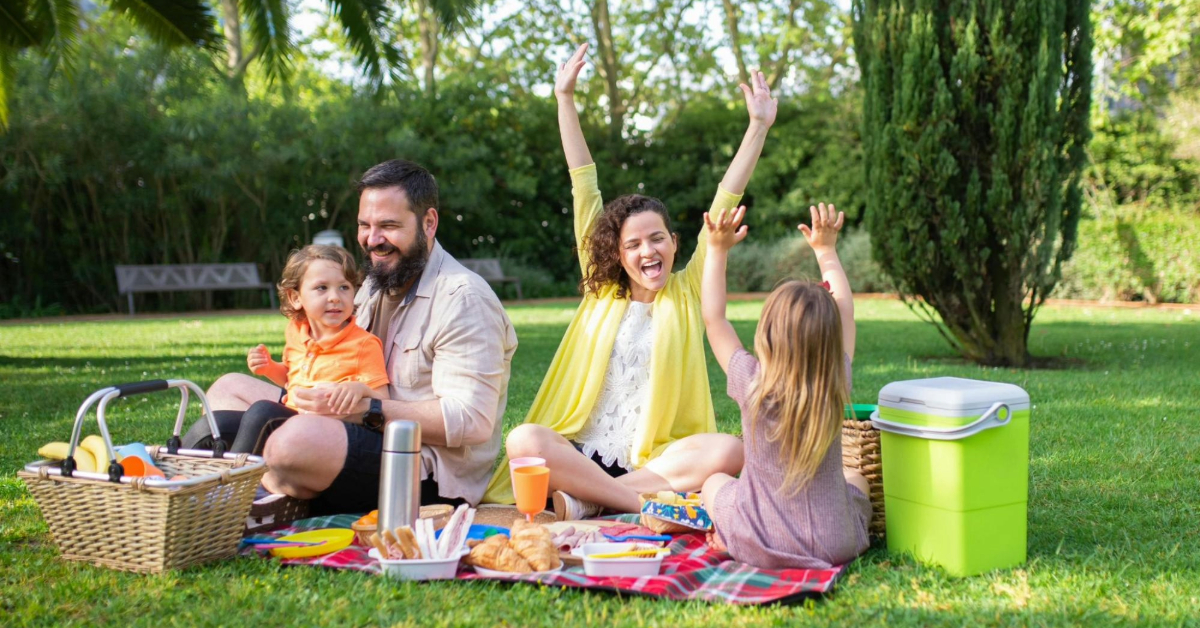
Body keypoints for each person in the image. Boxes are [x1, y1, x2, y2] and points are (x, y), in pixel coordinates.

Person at [485, 42, 776, 519]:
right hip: (579, 451)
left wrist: (758, 127)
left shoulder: (687, 291)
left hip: (653, 462)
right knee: (524, 439)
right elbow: (584, 182)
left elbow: (726, 198)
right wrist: (564, 99)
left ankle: (585, 502)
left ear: (675, 243)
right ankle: (636, 504)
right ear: (617, 255)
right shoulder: (601, 288)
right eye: (634, 245)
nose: (648, 251)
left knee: (730, 450)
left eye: (657, 239)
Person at [188, 159, 518, 518]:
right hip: (345, 424)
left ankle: (248, 497)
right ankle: (239, 484)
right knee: (227, 390)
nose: (373, 240)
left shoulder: (463, 298)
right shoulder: (374, 284)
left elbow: (471, 421)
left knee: (289, 443)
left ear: (428, 222)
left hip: (421, 468)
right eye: (365, 225)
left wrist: (368, 410)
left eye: (388, 226)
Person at [699, 202, 871, 569]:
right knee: (856, 477)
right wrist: (826, 251)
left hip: (757, 540)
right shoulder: (835, 377)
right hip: (834, 543)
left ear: (768, 334)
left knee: (714, 483)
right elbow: (845, 311)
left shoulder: (751, 381)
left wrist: (716, 251)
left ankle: (728, 538)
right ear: (830, 339)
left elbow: (714, 320)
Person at [186, 245, 391, 456]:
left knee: (262, 412)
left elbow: (383, 399)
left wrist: (359, 389)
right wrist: (269, 368)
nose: (335, 297)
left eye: (344, 287)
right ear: (295, 298)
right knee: (216, 422)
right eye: (322, 288)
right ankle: (178, 475)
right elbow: (291, 379)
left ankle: (234, 480)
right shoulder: (296, 331)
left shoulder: (363, 344)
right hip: (292, 417)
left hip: (328, 433)